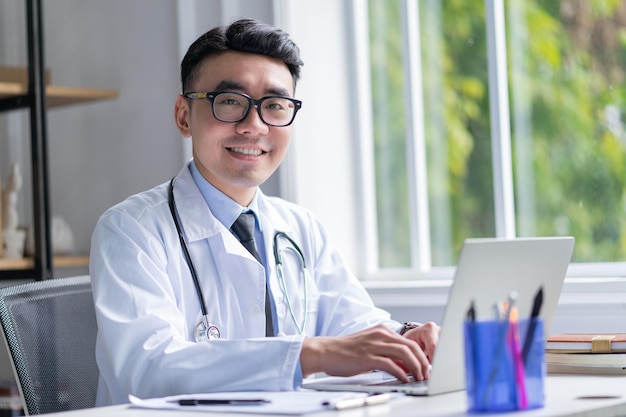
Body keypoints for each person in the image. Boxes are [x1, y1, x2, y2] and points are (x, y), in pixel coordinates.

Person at [90, 17, 439, 406]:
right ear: (183, 115)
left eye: (274, 106)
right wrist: (310, 354)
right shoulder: (130, 230)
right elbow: (149, 369)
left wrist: (404, 338)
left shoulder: (300, 228)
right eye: (230, 103)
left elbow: (352, 323)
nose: (253, 126)